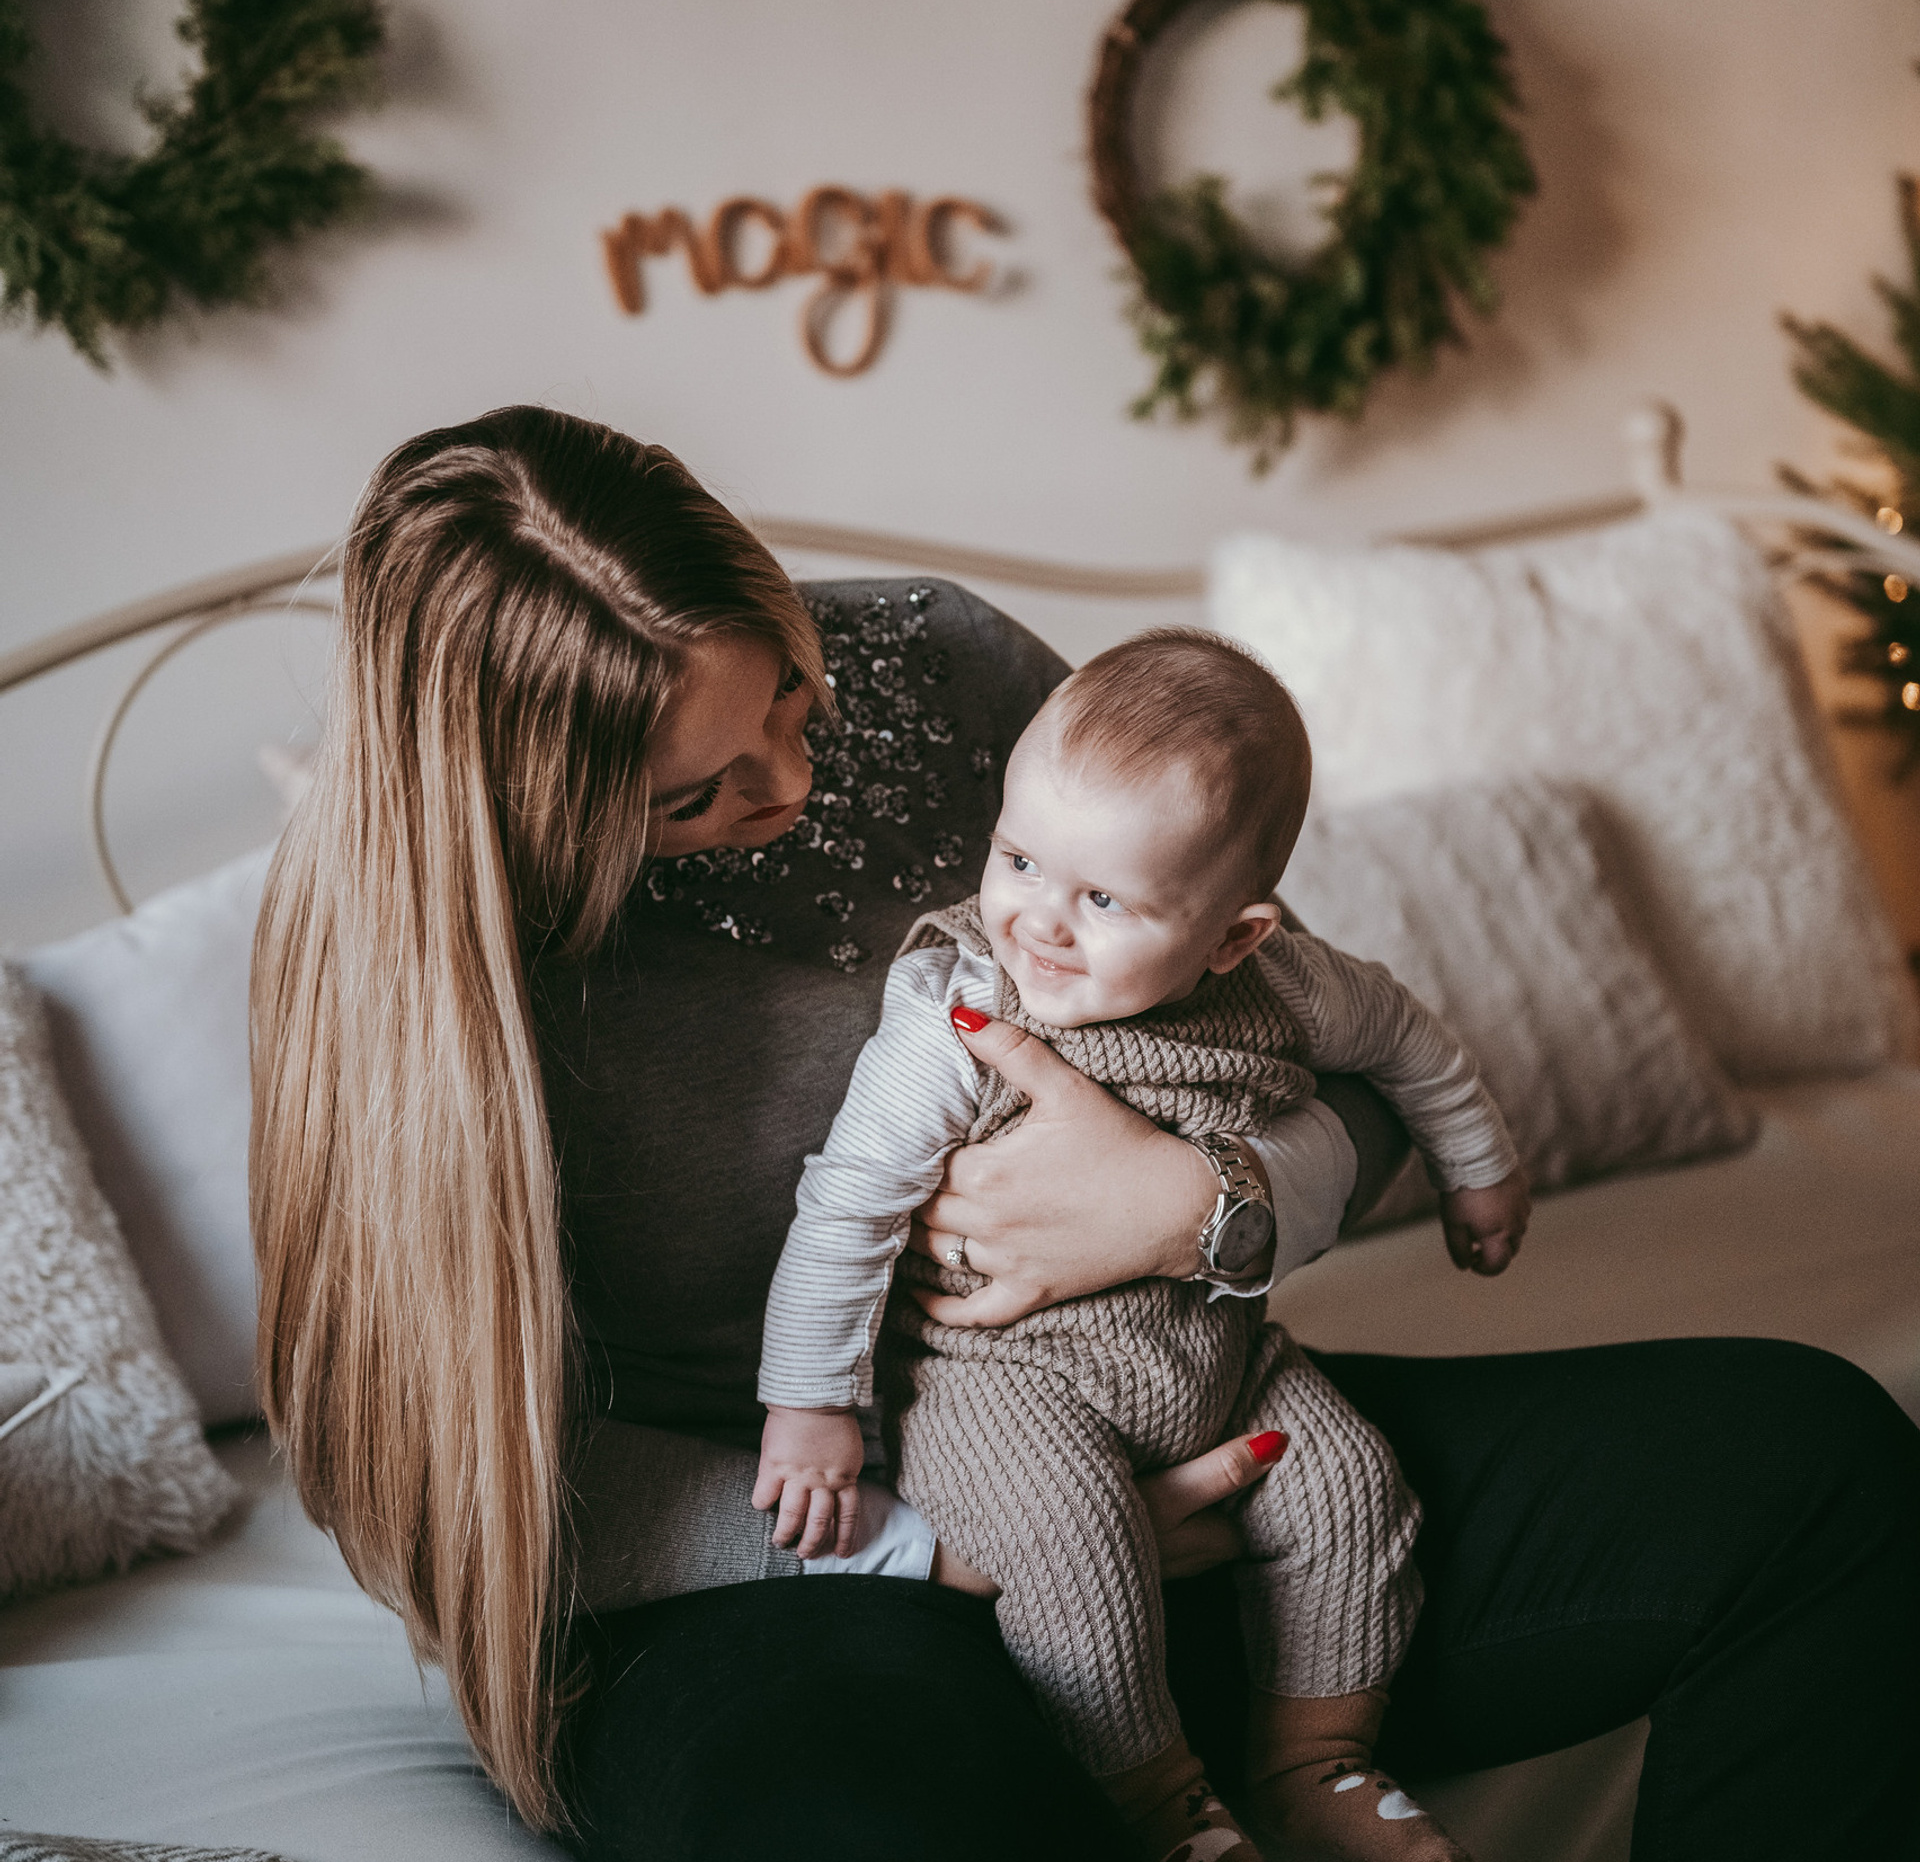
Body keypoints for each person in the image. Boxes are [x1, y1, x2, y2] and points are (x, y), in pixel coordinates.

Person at [250, 405, 1920, 1862]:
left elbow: (1312, 1033)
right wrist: (941, 1552)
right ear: (532, 805)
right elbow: (418, 1483)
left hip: (1176, 1434)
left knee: (1811, 1460)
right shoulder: (400, 958)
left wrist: (1208, 1204)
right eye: (695, 796)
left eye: (796, 703)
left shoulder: (945, 663)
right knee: (885, 1833)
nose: (792, 788)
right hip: (780, 1594)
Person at [753, 629, 1527, 1862]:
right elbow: (848, 1205)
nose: (1041, 923)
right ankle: (1159, 1799)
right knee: (1072, 1544)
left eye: (1104, 901)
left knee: (1353, 1489)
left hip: (1214, 1355)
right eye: (1018, 860)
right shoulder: (958, 1014)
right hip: (1001, 1379)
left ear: (1235, 937)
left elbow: (1407, 1042)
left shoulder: (1290, 985)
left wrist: (1476, 1165)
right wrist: (809, 1405)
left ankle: (1315, 1760)